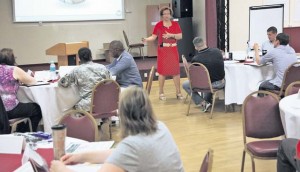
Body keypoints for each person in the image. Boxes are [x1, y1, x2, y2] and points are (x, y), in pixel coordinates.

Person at [50, 86, 184, 172]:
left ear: (123, 114)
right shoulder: (161, 127)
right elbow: (118, 155)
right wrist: (81, 156)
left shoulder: (132, 145)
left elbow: (122, 154)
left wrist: (61, 169)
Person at [142, 6, 183, 101]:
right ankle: (161, 92)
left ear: (170, 14)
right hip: (163, 51)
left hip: (173, 50)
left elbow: (180, 36)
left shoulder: (175, 24)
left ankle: (178, 92)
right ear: (161, 15)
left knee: (176, 72)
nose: (166, 15)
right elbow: (153, 37)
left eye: (168, 13)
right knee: (162, 73)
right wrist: (146, 39)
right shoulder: (159, 25)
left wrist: (171, 35)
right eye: (164, 14)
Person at [0, 48, 42, 132]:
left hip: (1, 111)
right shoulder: (13, 69)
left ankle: (19, 131)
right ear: (11, 59)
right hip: (10, 109)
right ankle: (25, 134)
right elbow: (32, 81)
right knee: (37, 109)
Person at [59, 47, 111, 112]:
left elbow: (64, 83)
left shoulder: (76, 70)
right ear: (91, 56)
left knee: (71, 108)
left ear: (79, 58)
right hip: (105, 101)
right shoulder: (102, 67)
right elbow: (110, 82)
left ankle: (84, 121)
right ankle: (105, 119)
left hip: (88, 104)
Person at [182, 37, 225, 112]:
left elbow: (195, 77)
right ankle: (208, 99)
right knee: (209, 78)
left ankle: (203, 103)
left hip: (206, 85)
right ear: (205, 42)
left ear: (195, 47)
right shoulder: (217, 51)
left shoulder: (196, 59)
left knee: (185, 85)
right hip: (220, 83)